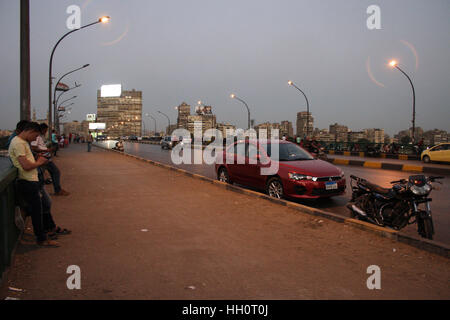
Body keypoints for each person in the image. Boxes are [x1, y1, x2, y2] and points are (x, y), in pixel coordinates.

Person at [8, 121, 58, 247]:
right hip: (27, 181)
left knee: (39, 208)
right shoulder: (18, 143)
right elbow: (26, 166)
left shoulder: (23, 142)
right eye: (35, 136)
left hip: (31, 180)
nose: (36, 139)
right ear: (30, 131)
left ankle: (44, 234)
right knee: (36, 211)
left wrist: (36, 157)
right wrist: (40, 162)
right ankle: (41, 238)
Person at [31, 123, 70, 196]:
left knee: (50, 173)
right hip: (43, 158)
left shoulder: (39, 136)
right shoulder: (36, 136)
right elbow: (33, 147)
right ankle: (55, 191)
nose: (46, 132)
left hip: (45, 158)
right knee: (54, 172)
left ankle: (55, 190)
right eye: (45, 131)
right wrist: (47, 150)